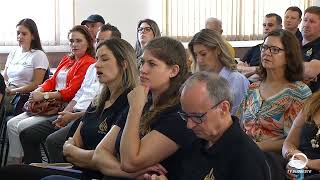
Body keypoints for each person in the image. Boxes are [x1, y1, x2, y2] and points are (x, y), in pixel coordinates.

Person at [0, 38, 139, 180]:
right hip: (78, 170)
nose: (97, 65)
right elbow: (69, 149)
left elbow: (103, 158)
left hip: (98, 176)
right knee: (9, 172)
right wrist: (86, 155)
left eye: (104, 59)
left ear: (123, 64)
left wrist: (82, 154)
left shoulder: (130, 103)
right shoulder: (98, 101)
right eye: (97, 59)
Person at [92, 37, 196, 179]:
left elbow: (130, 162)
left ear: (173, 71)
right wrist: (133, 174)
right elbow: (99, 154)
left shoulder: (179, 114)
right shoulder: (142, 100)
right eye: (142, 62)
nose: (143, 70)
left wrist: (135, 109)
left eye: (152, 64)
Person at [19, 22, 123, 164]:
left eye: (104, 41)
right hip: (72, 110)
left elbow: (96, 105)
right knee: (27, 134)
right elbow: (79, 94)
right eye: (98, 40)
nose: (99, 44)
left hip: (86, 115)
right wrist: (65, 114)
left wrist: (48, 97)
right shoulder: (92, 66)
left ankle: (62, 172)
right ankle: (37, 170)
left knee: (53, 141)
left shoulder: (109, 70)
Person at [143, 72, 270, 180]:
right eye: (185, 116)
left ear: (223, 108)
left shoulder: (246, 159)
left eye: (197, 117)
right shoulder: (196, 140)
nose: (189, 125)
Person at [6, 25, 95, 165]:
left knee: (23, 127)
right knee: (11, 124)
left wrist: (45, 96)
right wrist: (39, 90)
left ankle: (33, 164)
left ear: (88, 43)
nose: (74, 44)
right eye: (72, 41)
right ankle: (16, 163)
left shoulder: (89, 62)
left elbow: (71, 92)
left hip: (61, 105)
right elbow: (52, 80)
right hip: (47, 103)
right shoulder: (67, 59)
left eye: (79, 41)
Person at [237, 29, 311, 153]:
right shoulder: (253, 87)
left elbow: (295, 140)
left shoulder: (298, 92)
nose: (266, 53)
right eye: (264, 47)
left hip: (274, 159)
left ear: (289, 56)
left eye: (274, 50)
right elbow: (239, 123)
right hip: (244, 152)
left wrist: (257, 147)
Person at [188, 29, 249, 115]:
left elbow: (239, 117)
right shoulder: (198, 80)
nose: (199, 60)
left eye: (203, 54)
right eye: (196, 55)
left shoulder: (236, 80)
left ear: (218, 50)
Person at [3, 18, 49, 115]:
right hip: (8, 89)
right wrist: (6, 86)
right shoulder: (13, 52)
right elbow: (6, 76)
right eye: (18, 33)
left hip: (20, 94)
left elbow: (36, 84)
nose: (19, 36)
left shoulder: (38, 55)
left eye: (24, 34)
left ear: (33, 36)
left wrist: (13, 91)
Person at [282, 91, 320, 179]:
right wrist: (292, 158)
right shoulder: (313, 102)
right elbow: (289, 143)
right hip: (302, 167)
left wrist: (307, 162)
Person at [238, 13, 282, 81]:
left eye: (270, 25)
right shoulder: (255, 48)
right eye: (264, 25)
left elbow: (272, 71)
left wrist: (248, 70)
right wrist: (255, 69)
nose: (266, 28)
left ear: (280, 27)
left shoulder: (281, 49)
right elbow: (238, 66)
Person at [301, 6, 320, 92]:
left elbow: (310, 71)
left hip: (311, 98)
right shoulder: (293, 42)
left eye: (312, 22)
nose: (306, 24)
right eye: (305, 20)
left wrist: (279, 66)